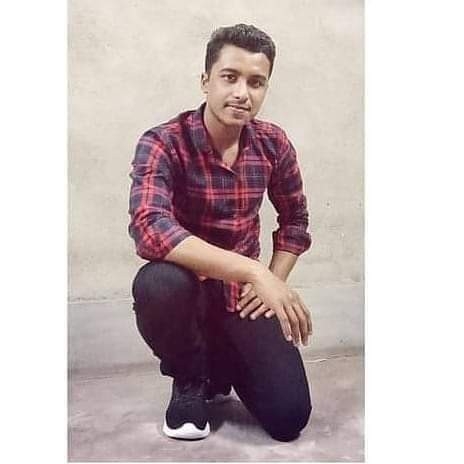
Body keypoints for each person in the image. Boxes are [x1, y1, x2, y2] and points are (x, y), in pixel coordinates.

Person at [128, 23, 313, 442]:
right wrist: (254, 271)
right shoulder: (163, 142)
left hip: (237, 299)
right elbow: (149, 226)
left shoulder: (273, 143)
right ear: (206, 81)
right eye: (230, 77)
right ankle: (190, 376)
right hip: (184, 292)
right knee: (158, 282)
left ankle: (221, 364)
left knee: (289, 417)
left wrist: (270, 281)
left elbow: (295, 221)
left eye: (256, 82)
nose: (242, 93)